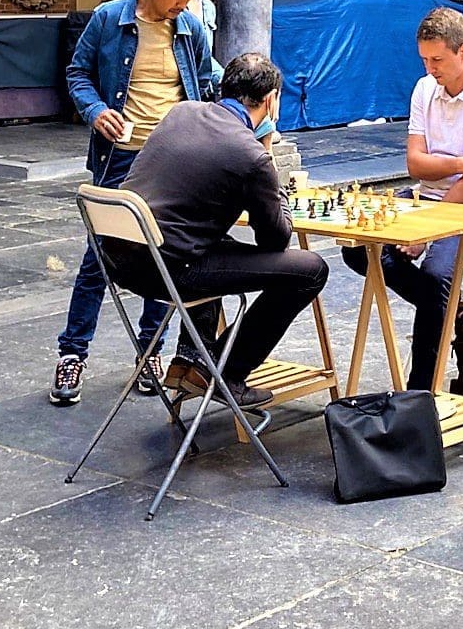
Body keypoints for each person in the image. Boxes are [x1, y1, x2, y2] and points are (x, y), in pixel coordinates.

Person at [104, 53, 328, 411]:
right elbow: (275, 240)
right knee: (309, 270)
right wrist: (268, 161)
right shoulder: (250, 153)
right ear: (271, 100)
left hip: (120, 258)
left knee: (212, 244)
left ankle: (190, 358)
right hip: (170, 270)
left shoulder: (181, 112)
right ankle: (226, 372)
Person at [53, 0, 216, 407]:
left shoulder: (191, 28)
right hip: (119, 158)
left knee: (163, 258)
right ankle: (72, 354)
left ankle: (150, 353)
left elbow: (204, 83)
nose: (184, 2)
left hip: (173, 159)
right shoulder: (109, 19)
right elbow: (78, 72)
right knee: (99, 257)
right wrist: (96, 110)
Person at [342, 7, 463, 392]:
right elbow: (416, 164)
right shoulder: (426, 88)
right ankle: (450, 306)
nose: (429, 69)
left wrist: (426, 231)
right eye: (424, 59)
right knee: (358, 247)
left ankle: (420, 389)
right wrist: (457, 162)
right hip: (429, 193)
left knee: (439, 271)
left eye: (437, 59)